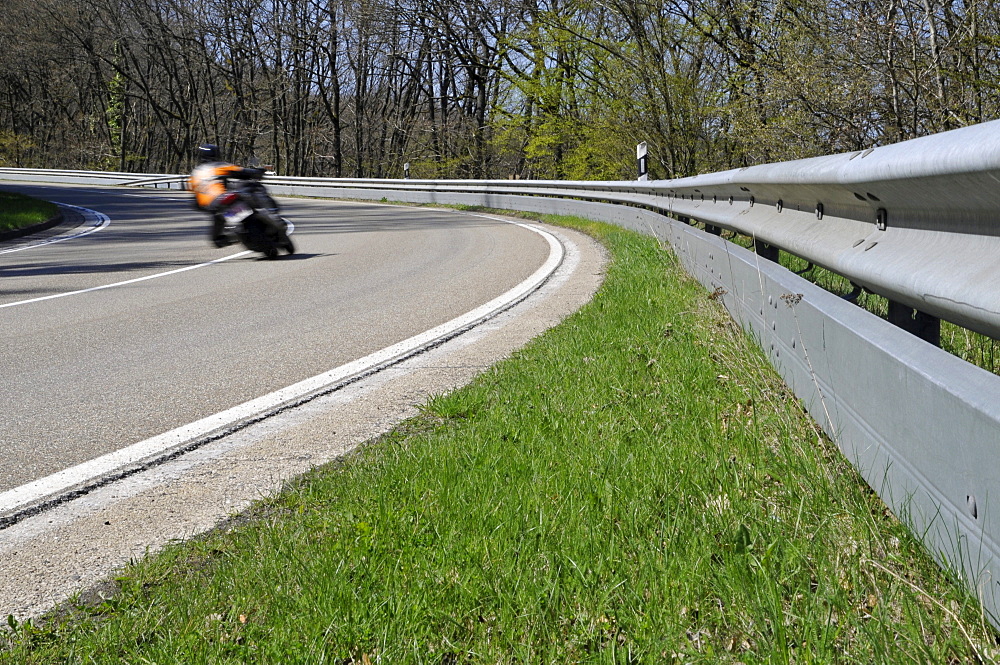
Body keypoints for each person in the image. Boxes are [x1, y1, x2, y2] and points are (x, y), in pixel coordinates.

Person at [188, 144, 268, 247]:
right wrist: (257, 172)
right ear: (216, 154)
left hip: (212, 206)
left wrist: (205, 208)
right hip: (224, 197)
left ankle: (234, 236)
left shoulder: (195, 174)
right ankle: (256, 223)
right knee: (247, 195)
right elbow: (241, 171)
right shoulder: (218, 166)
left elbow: (194, 200)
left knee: (216, 239)